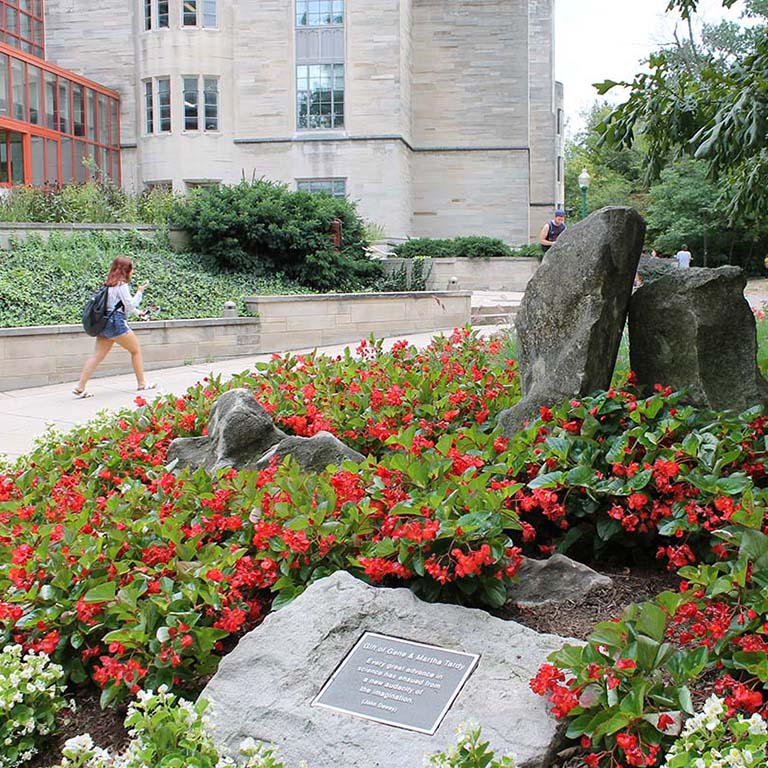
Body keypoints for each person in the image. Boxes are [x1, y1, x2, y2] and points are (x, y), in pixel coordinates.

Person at [73, 256, 156, 398]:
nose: (133, 271)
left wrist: (139, 313)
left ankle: (80, 387)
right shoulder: (122, 285)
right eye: (132, 268)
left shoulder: (109, 284)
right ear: (126, 270)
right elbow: (129, 304)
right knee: (135, 350)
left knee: (97, 356)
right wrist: (140, 292)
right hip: (116, 323)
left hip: (104, 323)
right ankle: (142, 383)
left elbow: (118, 305)